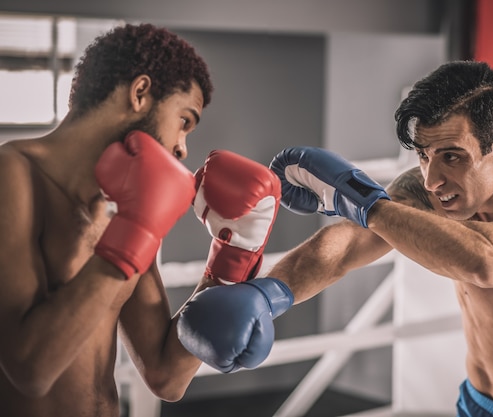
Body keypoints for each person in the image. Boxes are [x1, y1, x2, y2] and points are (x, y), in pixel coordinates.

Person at [178, 60, 493, 416]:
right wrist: (269, 294)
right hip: (482, 405)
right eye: (424, 156)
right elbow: (351, 243)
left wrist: (365, 202)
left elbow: (491, 260)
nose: (432, 180)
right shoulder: (431, 189)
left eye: (451, 157)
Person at [0, 22, 282, 417]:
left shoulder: (124, 204)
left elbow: (166, 375)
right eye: (184, 121)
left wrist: (229, 260)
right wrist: (135, 233)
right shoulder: (13, 174)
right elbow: (29, 369)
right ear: (140, 93)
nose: (183, 149)